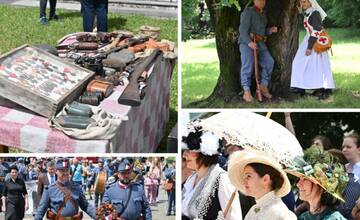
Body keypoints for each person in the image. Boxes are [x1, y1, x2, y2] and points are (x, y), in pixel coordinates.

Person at [181, 129, 242, 220]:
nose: (184, 155)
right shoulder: (191, 178)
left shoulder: (222, 180)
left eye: (189, 150)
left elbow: (234, 218)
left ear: (204, 152)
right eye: (183, 150)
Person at [228, 150, 297, 220]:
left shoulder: (281, 214)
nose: (243, 181)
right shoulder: (253, 210)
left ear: (265, 179)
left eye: (248, 176)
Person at [286, 146, 348, 219]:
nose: (298, 184)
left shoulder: (334, 218)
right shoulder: (302, 217)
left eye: (305, 179)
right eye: (299, 178)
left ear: (322, 187)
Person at [291, 0, 334, 100]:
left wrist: (310, 47)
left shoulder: (315, 13)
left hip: (314, 42)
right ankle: (301, 87)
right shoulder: (310, 12)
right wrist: (301, 12)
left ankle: (324, 89)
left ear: (311, 2)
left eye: (305, 1)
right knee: (304, 63)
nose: (303, 4)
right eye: (301, 2)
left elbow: (317, 29)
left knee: (318, 65)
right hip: (309, 39)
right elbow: (309, 22)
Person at [238, 0, 278, 102]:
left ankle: (263, 87)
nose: (262, 2)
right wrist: (249, 43)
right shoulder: (248, 12)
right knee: (248, 66)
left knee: (269, 62)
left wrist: (270, 30)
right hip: (247, 44)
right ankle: (246, 92)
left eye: (263, 0)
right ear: (254, 1)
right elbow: (242, 30)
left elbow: (261, 31)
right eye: (259, 0)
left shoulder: (263, 13)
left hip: (259, 43)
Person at [337, 133, 360, 219]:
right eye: (343, 147)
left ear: (359, 149)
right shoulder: (341, 168)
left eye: (348, 147)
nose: (344, 149)